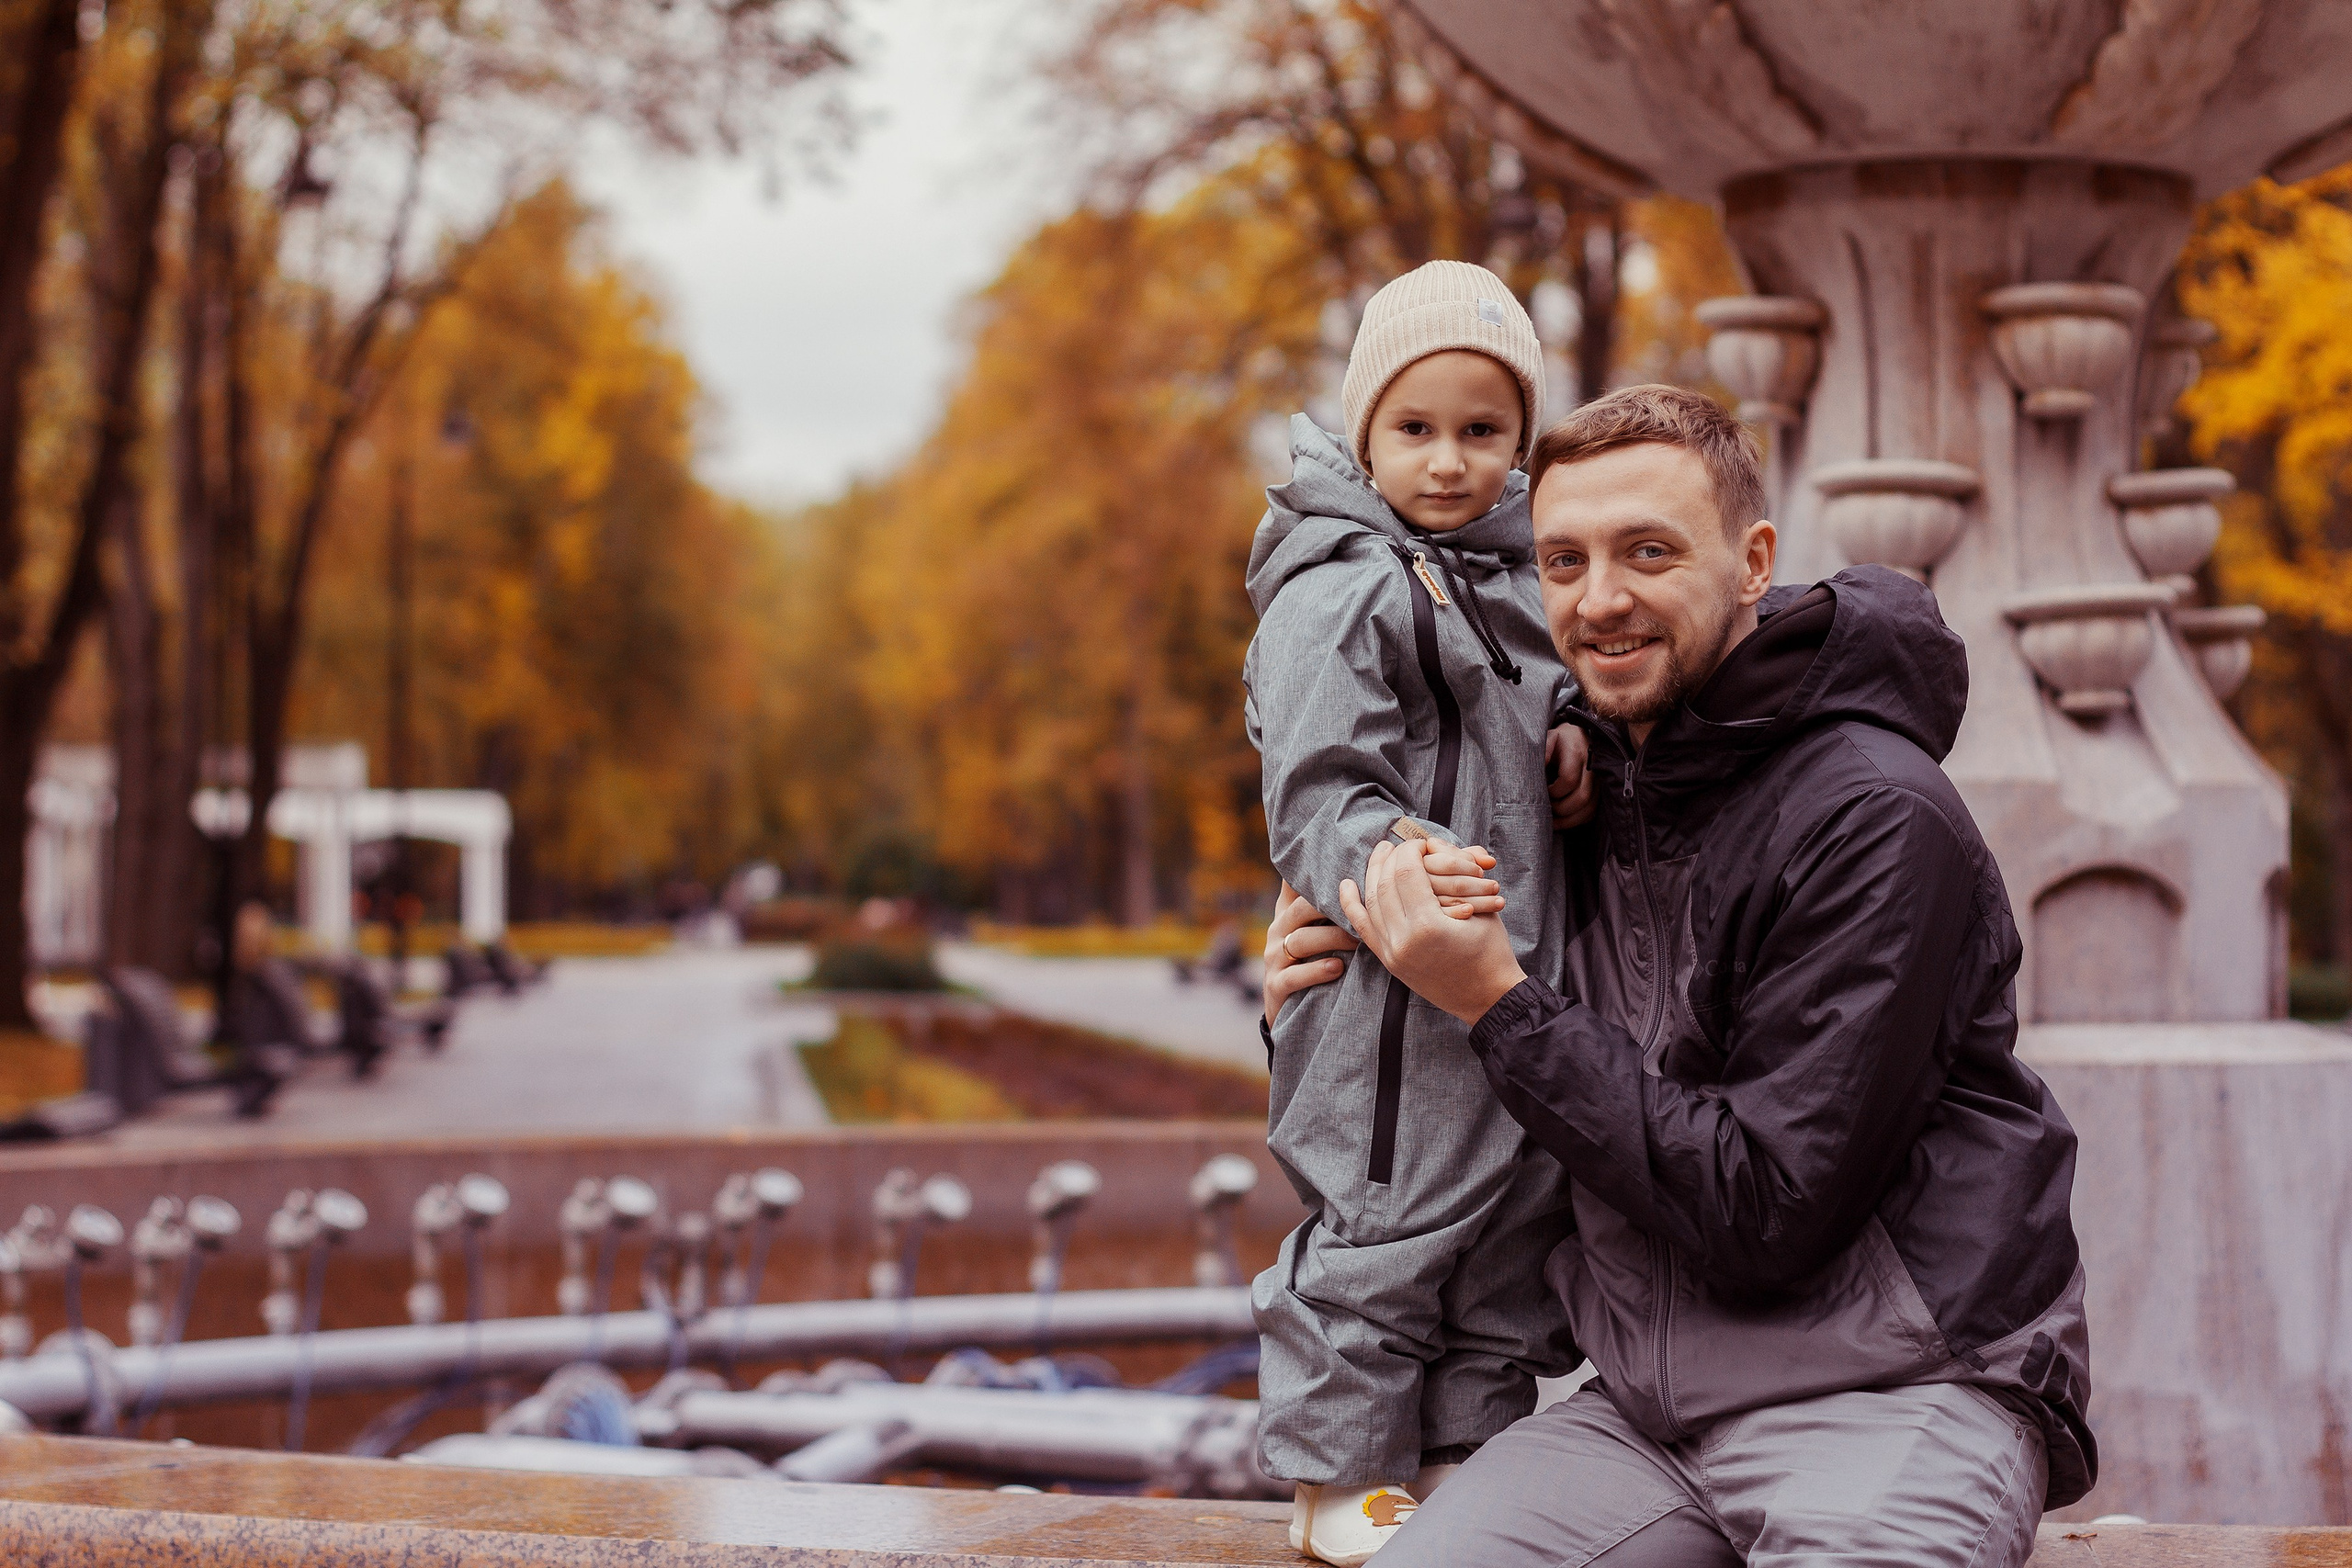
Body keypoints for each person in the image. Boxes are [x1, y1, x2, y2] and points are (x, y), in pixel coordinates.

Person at [1263, 384, 2093, 1568]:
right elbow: (1427, 965)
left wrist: (1493, 998)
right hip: (1645, 1415)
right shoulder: (1586, 784)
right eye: (1563, 560)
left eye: (1648, 552)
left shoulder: (1873, 816)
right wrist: (1343, 970)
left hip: (1897, 1390)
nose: (1598, 601)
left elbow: (1767, 1208)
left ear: (1753, 560)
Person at [1242, 259, 1593, 1565]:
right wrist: (1399, 855)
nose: (1448, 462)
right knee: (1385, 1220)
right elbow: (1321, 787)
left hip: (1512, 979)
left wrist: (1573, 743)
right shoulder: (1335, 590)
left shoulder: (1518, 583)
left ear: (1519, 443)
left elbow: (1544, 704)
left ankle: (1467, 1463)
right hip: (1389, 988)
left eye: (1482, 431)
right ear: (1365, 430)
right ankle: (1336, 1476)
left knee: (1508, 1236)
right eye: (1417, 429)